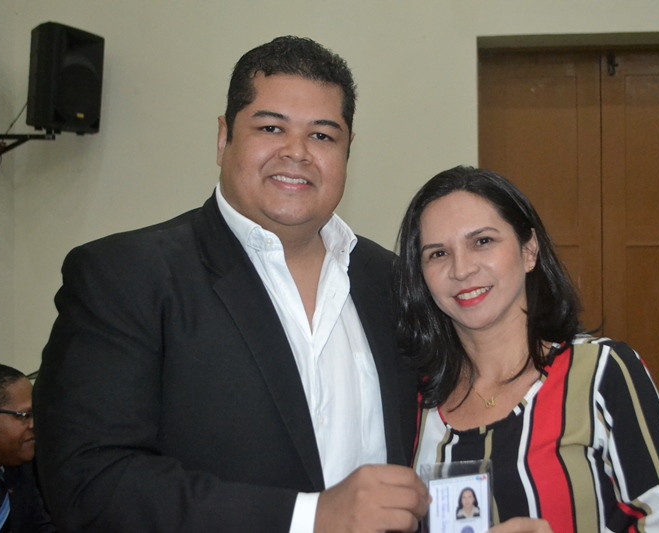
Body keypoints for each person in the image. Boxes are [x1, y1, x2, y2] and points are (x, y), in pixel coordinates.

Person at [33, 36, 428, 532]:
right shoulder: (126, 276)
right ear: (224, 139)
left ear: (348, 151)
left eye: (322, 136)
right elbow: (90, 483)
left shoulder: (393, 282)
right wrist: (309, 518)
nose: (297, 152)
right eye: (271, 127)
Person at [395, 166, 659, 532]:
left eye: (482, 241)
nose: (462, 269)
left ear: (529, 250)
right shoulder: (413, 401)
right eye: (438, 253)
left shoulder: (602, 373)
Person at [0, 363, 56, 533]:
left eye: (35, 414)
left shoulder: (20, 469)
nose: (34, 425)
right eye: (24, 415)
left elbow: (40, 528)